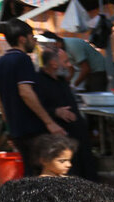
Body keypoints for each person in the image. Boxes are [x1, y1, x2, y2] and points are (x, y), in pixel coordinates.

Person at [0, 19, 66, 178]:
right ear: (22, 39)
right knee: (42, 172)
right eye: (32, 37)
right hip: (32, 128)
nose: (34, 41)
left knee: (30, 172)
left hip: (17, 130)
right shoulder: (22, 59)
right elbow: (26, 92)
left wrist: (9, 127)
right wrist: (49, 122)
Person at [35, 46, 99, 181]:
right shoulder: (39, 82)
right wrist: (55, 112)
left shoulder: (61, 80)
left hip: (78, 135)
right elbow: (36, 108)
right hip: (61, 137)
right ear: (54, 64)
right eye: (65, 62)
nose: (69, 65)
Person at [42, 31, 114, 92]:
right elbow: (71, 68)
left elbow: (86, 68)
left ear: (55, 43)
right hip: (90, 71)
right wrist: (66, 81)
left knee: (95, 94)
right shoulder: (63, 47)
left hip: (98, 70)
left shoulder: (72, 46)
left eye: (48, 46)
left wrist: (74, 85)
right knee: (88, 90)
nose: (49, 48)